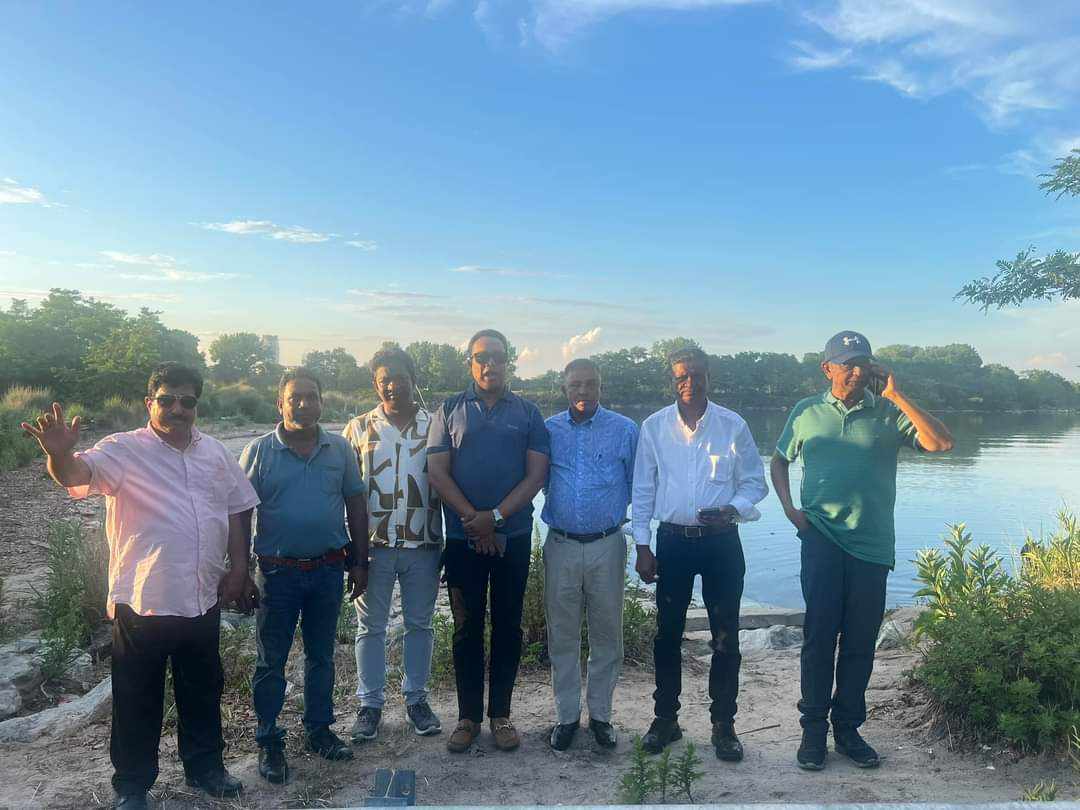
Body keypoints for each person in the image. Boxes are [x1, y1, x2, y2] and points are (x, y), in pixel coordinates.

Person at [21, 362, 259, 810]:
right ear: (149, 403)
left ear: (196, 405)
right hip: (143, 601)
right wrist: (59, 455)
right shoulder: (123, 449)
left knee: (202, 690)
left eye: (187, 401)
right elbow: (75, 475)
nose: (177, 408)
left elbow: (238, 507)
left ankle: (205, 769)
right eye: (166, 399)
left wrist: (240, 569)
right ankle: (132, 786)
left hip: (201, 597)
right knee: (136, 698)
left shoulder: (214, 453)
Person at [771, 331, 953, 771]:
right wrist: (791, 511)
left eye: (863, 363)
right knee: (818, 640)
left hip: (872, 544)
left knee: (860, 643)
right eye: (847, 363)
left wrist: (898, 395)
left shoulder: (889, 413)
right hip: (821, 539)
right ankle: (813, 732)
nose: (857, 371)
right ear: (827, 368)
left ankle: (848, 730)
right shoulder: (806, 412)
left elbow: (942, 444)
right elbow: (779, 460)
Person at [632, 345, 768, 760]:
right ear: (672, 381)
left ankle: (723, 725)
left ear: (709, 376)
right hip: (673, 542)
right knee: (667, 635)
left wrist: (733, 508)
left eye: (696, 374)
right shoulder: (654, 427)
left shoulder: (732, 425)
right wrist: (642, 545)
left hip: (721, 543)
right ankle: (665, 720)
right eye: (681, 376)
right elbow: (643, 489)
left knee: (726, 637)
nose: (689, 382)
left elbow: (755, 483)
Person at [239, 368, 369, 784]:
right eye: (295, 397)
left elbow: (356, 504)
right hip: (277, 574)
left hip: (328, 570)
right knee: (271, 660)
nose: (304, 403)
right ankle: (269, 741)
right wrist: (239, 571)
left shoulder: (339, 449)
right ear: (280, 403)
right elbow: (240, 514)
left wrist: (360, 561)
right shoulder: (259, 452)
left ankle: (319, 730)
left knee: (322, 656)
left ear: (321, 402)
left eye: (312, 396)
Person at [426, 329, 550, 753]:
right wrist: (475, 521)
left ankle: (501, 714)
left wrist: (495, 518)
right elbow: (437, 472)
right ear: (470, 362)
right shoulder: (448, 409)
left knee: (508, 626)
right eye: (481, 357)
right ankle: (467, 717)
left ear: (508, 361)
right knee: (466, 628)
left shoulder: (528, 413)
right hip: (463, 540)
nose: (489, 364)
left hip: (512, 537)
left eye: (497, 357)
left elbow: (536, 475)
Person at [343, 346, 444, 743]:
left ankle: (416, 700)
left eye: (400, 378)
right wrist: (351, 551)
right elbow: (344, 491)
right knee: (370, 627)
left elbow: (449, 483)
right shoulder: (357, 429)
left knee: (420, 625)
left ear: (413, 380)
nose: (392, 386)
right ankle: (369, 705)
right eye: (384, 379)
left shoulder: (436, 426)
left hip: (424, 544)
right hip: (372, 547)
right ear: (375, 383)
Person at [542, 358, 638, 751]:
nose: (583, 391)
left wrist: (643, 538)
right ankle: (566, 717)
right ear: (564, 388)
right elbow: (538, 479)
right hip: (561, 545)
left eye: (590, 384)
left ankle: (601, 717)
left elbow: (638, 486)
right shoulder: (548, 430)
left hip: (607, 544)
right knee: (562, 636)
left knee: (607, 635)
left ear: (601, 386)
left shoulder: (625, 430)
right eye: (575, 385)